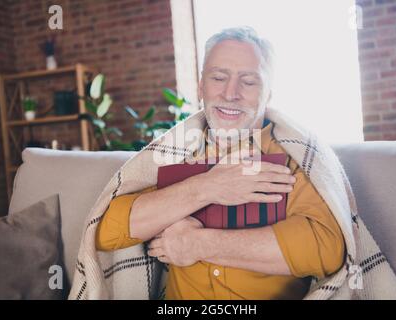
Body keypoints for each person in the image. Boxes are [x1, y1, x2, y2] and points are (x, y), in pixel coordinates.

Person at [95, 26, 345, 300]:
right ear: (201, 86)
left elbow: (326, 247)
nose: (230, 93)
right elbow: (106, 231)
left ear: (269, 93)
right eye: (218, 78)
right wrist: (206, 187)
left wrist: (199, 244)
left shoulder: (294, 158)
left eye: (248, 82)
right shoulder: (175, 154)